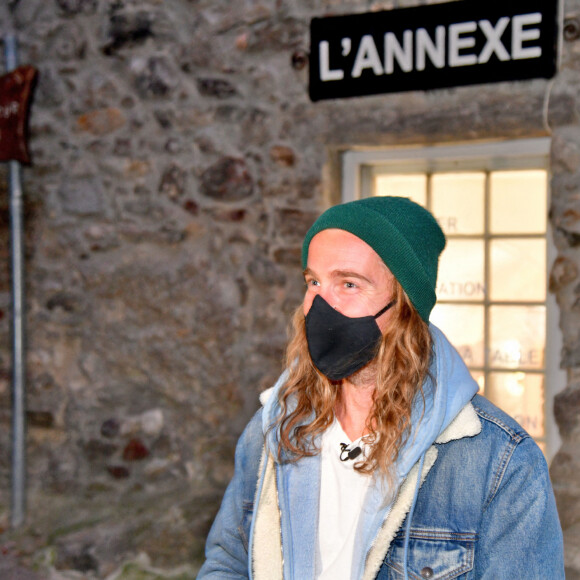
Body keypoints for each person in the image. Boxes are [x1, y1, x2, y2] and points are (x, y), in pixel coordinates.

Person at [198, 196, 564, 579]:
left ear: (405, 305)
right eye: (314, 282)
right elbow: (227, 562)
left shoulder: (499, 461)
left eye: (349, 283)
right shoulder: (273, 429)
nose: (319, 305)